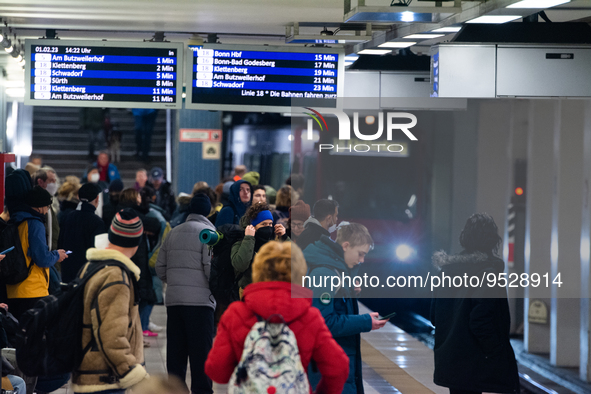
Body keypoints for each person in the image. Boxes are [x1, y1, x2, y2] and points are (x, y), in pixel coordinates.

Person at [205, 241, 350, 393]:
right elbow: (339, 366)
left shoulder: (236, 313)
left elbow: (217, 371)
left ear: (258, 271)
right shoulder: (309, 317)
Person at [430, 213, 520, 394]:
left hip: (451, 356)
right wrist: (496, 352)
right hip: (476, 359)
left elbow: (434, 316)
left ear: (465, 238)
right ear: (493, 241)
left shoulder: (446, 271)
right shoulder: (489, 273)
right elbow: (480, 320)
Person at [304, 223, 388, 394]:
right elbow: (324, 323)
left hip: (336, 364)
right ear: (346, 246)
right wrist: (365, 322)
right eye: (360, 254)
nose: (362, 260)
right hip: (328, 368)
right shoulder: (325, 274)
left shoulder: (337, 272)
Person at [71, 209, 149, 394]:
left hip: (87, 373)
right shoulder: (116, 276)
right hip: (105, 379)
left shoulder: (90, 267)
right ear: (136, 242)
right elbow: (111, 336)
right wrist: (131, 371)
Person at [156, 193, 216, 394]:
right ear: (208, 210)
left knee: (176, 356)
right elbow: (210, 269)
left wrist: (175, 282)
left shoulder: (174, 232)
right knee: (201, 358)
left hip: (174, 302)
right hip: (200, 305)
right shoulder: (208, 232)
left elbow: (159, 267)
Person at [5, 186, 68, 320]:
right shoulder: (35, 224)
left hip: (13, 288)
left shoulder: (16, 220)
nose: (47, 211)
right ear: (40, 207)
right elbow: (42, 258)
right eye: (47, 207)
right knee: (32, 337)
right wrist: (57, 255)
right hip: (32, 290)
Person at [117, 188, 161, 337]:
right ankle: (141, 328)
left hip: (134, 257)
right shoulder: (130, 212)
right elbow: (154, 224)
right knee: (144, 295)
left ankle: (141, 327)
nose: (140, 198)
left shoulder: (123, 211)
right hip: (137, 258)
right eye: (137, 195)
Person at [231, 202, 287, 293]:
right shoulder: (240, 244)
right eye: (263, 224)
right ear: (253, 227)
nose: (268, 228)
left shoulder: (272, 245)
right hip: (249, 292)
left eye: (270, 224)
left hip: (271, 292)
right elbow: (240, 265)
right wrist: (249, 238)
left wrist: (284, 237)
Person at [57, 183, 106, 283]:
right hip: (87, 275)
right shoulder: (97, 222)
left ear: (79, 197)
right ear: (97, 199)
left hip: (67, 273)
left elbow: (60, 244)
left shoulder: (68, 217)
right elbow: (98, 252)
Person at [33, 168, 60, 251]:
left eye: (55, 180)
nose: (54, 184)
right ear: (40, 182)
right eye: (51, 180)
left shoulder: (49, 204)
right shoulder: (38, 206)